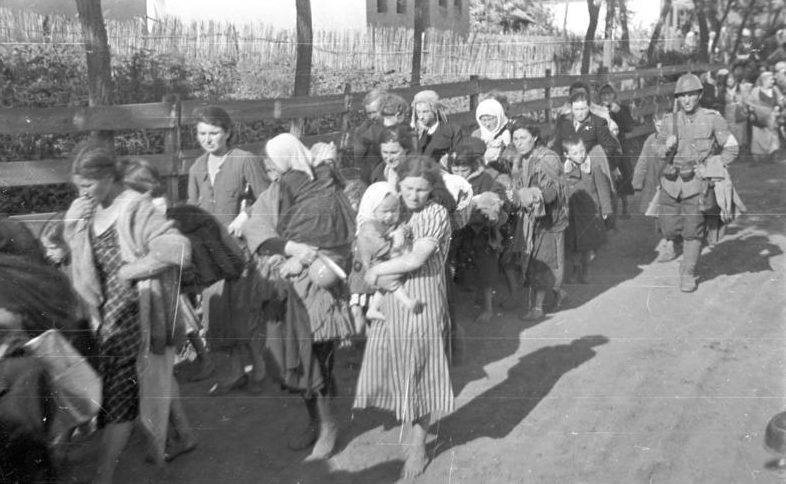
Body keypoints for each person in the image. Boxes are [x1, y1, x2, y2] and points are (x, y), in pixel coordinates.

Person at [64, 144, 191, 484]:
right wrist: (73, 222)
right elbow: (79, 259)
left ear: (108, 176)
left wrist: (133, 270)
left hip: (137, 312)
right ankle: (162, 461)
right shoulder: (92, 207)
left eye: (88, 185)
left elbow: (178, 248)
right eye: (78, 187)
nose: (82, 193)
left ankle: (103, 476)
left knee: (121, 395)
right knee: (137, 390)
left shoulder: (135, 206)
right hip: (108, 316)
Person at [243, 133, 355, 460]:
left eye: (272, 163)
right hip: (288, 282)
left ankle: (328, 424)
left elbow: (340, 235)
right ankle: (314, 420)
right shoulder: (280, 188)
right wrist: (291, 248)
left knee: (317, 356)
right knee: (295, 355)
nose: (270, 170)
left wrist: (310, 257)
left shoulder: (325, 187)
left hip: (319, 285)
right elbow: (257, 228)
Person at [353, 155, 454, 479]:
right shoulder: (397, 209)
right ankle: (411, 428)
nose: (413, 195)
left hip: (422, 296)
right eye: (408, 188)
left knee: (421, 367)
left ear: (431, 188)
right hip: (395, 298)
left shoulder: (436, 213)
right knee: (399, 363)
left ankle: (418, 444)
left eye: (421, 189)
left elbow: (416, 259)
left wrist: (376, 271)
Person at [187, 106, 270, 393]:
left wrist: (245, 216)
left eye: (214, 133)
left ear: (228, 132)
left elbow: (268, 197)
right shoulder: (197, 168)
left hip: (241, 249)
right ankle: (236, 370)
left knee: (244, 308)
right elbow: (192, 212)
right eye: (202, 134)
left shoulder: (244, 160)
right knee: (218, 312)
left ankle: (258, 367)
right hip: (209, 256)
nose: (208, 139)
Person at [121, 159, 199, 465]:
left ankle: (174, 436)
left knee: (156, 374)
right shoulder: (151, 209)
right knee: (160, 373)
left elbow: (170, 254)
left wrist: (127, 270)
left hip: (155, 301)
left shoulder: (150, 212)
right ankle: (179, 432)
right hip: (158, 299)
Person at [654, 73, 739, 292]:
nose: (687, 100)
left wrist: (711, 167)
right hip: (671, 184)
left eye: (691, 95)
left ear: (699, 95)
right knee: (669, 228)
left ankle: (688, 272)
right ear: (677, 98)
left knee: (693, 230)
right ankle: (675, 243)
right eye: (682, 96)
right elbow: (657, 150)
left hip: (696, 184)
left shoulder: (713, 118)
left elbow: (732, 148)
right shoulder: (669, 120)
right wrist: (666, 146)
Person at [505, 123, 569, 319]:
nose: (519, 143)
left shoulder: (548, 158)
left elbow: (554, 191)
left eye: (523, 138)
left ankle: (538, 307)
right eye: (515, 139)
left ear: (534, 137)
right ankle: (557, 293)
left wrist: (531, 195)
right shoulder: (520, 159)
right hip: (529, 217)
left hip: (548, 218)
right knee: (532, 258)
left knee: (545, 259)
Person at [448, 138, 507, 324]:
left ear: (473, 166)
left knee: (485, 268)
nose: (459, 174)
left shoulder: (485, 178)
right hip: (459, 232)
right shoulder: (449, 180)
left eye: (464, 170)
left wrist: (485, 202)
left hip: (481, 232)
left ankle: (488, 308)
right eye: (455, 170)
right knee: (459, 266)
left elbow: (498, 198)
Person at [351, 181, 423, 324]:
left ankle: (373, 310)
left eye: (394, 210)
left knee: (387, 286)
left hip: (380, 269)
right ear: (372, 209)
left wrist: (402, 232)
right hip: (368, 273)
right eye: (385, 211)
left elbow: (404, 228)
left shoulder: (388, 224)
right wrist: (394, 245)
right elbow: (380, 249)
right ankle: (408, 302)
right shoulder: (368, 228)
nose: (390, 215)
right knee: (391, 283)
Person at [562, 136, 613, 284]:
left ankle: (586, 268)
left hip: (590, 213)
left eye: (582, 151)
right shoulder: (564, 170)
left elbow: (603, 189)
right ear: (566, 155)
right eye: (575, 153)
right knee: (573, 245)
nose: (580, 155)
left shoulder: (594, 167)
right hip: (572, 213)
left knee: (587, 244)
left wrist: (606, 209)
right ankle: (575, 268)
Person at [599, 83, 636, 218]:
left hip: (620, 146)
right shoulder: (598, 110)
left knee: (623, 174)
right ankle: (609, 210)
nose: (606, 97)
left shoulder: (621, 109)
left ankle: (625, 204)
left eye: (609, 94)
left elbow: (629, 127)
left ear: (614, 95)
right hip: (604, 146)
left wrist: (619, 112)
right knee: (607, 175)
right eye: (603, 94)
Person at [411, 90, 464, 164]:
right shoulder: (415, 132)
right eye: (418, 112)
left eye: (425, 112)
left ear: (435, 111)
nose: (421, 117)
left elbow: (459, 155)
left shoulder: (452, 130)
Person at [745, 70, 784, 164]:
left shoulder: (775, 89)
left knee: (773, 137)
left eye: (773, 80)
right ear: (764, 80)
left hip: (772, 117)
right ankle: (757, 159)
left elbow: (781, 101)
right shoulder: (756, 90)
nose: (773, 81)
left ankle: (773, 156)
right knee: (758, 137)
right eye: (771, 79)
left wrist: (779, 106)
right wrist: (752, 112)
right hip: (759, 118)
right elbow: (749, 102)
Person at [352, 88, 388, 183]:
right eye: (369, 113)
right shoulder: (363, 130)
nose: (372, 117)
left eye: (375, 112)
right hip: (373, 175)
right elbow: (358, 158)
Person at [717, 69, 750, 154]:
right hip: (728, 116)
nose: (729, 81)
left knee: (741, 135)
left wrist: (742, 105)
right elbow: (720, 103)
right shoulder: (722, 90)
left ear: (735, 79)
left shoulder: (742, 88)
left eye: (731, 79)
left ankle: (742, 152)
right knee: (730, 136)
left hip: (740, 115)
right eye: (727, 79)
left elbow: (747, 101)